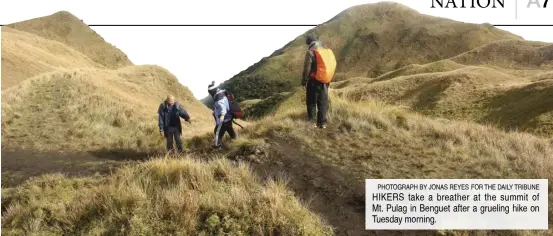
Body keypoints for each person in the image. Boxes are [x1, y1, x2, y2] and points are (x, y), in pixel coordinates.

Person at [302, 35, 330, 129]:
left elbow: (307, 69)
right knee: (323, 102)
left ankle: (312, 123)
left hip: (313, 81)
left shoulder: (310, 52)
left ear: (309, 43)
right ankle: (322, 123)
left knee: (311, 102)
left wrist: (304, 81)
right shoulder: (325, 51)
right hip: (325, 81)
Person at [208, 82, 236, 148]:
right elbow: (220, 106)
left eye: (210, 92)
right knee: (230, 129)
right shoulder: (221, 93)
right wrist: (215, 112)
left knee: (217, 132)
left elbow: (222, 107)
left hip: (223, 119)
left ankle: (218, 146)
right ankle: (235, 140)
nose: (210, 94)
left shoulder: (219, 97)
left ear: (212, 91)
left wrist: (222, 115)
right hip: (228, 117)